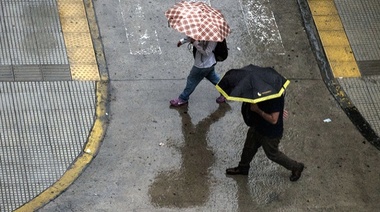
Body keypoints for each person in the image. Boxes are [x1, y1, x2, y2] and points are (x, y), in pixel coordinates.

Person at [226, 94, 304, 181]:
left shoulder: (275, 97)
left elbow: (274, 119)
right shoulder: (258, 90)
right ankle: (243, 167)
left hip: (270, 133)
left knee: (272, 154)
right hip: (257, 126)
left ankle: (296, 167)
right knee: (249, 147)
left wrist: (257, 110)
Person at [170, 36, 226, 107]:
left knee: (191, 80)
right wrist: (183, 41)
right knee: (213, 78)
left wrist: (195, 43)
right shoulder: (202, 32)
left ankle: (183, 98)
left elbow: (206, 52)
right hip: (208, 64)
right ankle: (225, 91)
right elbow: (193, 36)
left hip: (202, 66)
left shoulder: (213, 39)